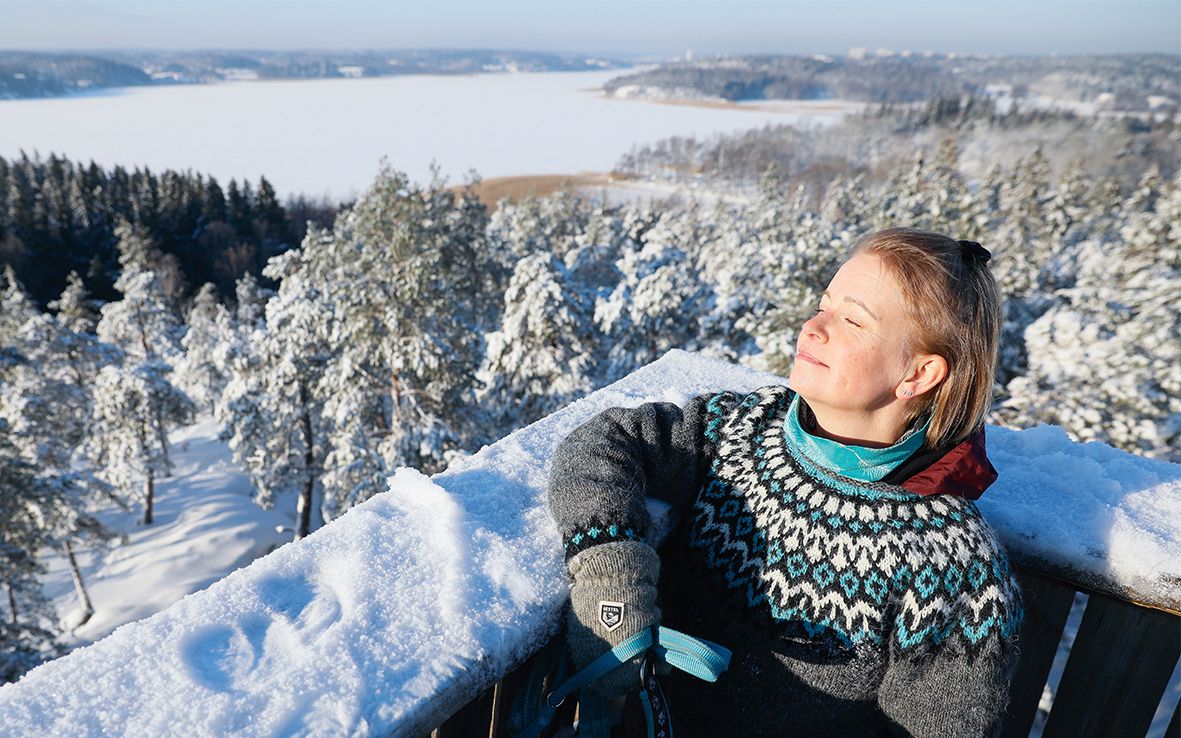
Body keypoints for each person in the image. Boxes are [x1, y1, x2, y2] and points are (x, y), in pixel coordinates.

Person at [548, 228, 1024, 737]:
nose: (814, 326)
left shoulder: (956, 574)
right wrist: (608, 578)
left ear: (918, 374)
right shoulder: (740, 430)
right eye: (824, 304)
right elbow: (604, 440)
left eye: (852, 320)